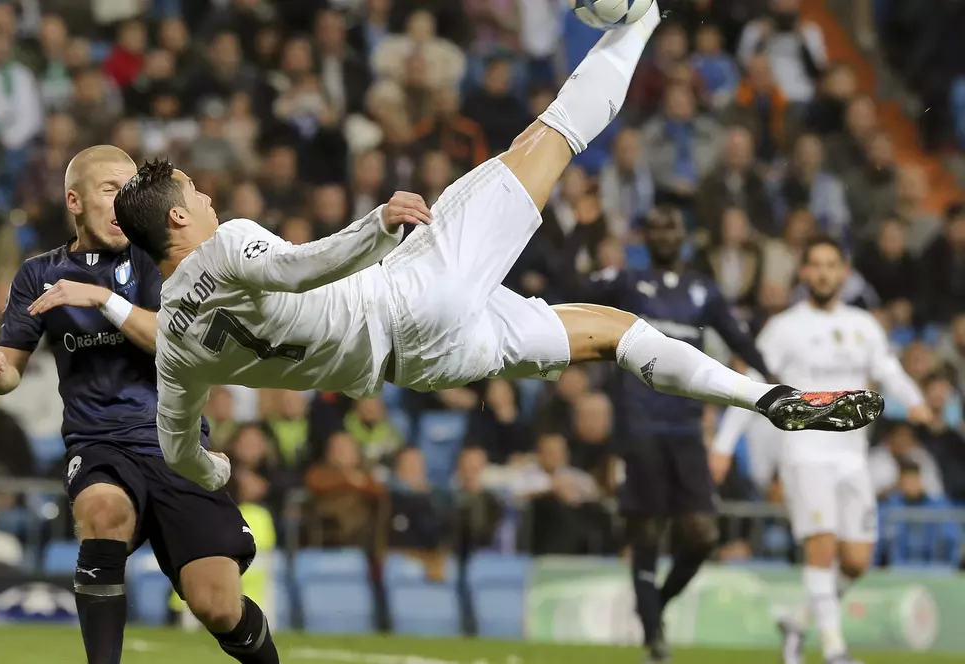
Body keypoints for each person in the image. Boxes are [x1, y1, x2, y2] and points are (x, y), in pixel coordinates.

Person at [112, 5, 882, 498]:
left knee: (612, 332)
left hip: (419, 365)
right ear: (178, 218)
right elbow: (296, 266)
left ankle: (767, 400)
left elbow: (179, 448)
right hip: (411, 293)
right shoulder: (229, 247)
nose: (209, 194)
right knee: (547, 139)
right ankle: (643, 17)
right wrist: (377, 225)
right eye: (196, 190)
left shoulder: (175, 349)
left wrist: (215, 471)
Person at [0, 146, 273, 664]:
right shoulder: (38, 274)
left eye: (130, 191)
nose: (122, 202)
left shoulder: (161, 257)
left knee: (217, 606)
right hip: (99, 443)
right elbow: (12, 365)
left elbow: (172, 339)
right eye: (111, 190)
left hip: (175, 445)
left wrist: (100, 300)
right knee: (102, 510)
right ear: (74, 201)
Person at [711, 236, 931, 664]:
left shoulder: (864, 325)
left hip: (853, 456)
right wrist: (722, 444)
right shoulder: (784, 327)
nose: (825, 272)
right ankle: (834, 650)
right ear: (805, 273)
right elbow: (754, 385)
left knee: (856, 561)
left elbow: (887, 368)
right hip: (804, 451)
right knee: (822, 545)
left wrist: (916, 400)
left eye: (833, 264)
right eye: (817, 264)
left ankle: (797, 620)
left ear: (844, 273)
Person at [589, 205, 775, 663]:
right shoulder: (626, 284)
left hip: (687, 429)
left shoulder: (702, 291)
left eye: (672, 225)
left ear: (685, 236)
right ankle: (654, 640)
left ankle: (654, 608)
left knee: (702, 535)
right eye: (656, 226)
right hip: (640, 427)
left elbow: (739, 339)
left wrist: (774, 385)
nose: (666, 233)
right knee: (647, 532)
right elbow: (575, 298)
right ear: (645, 237)